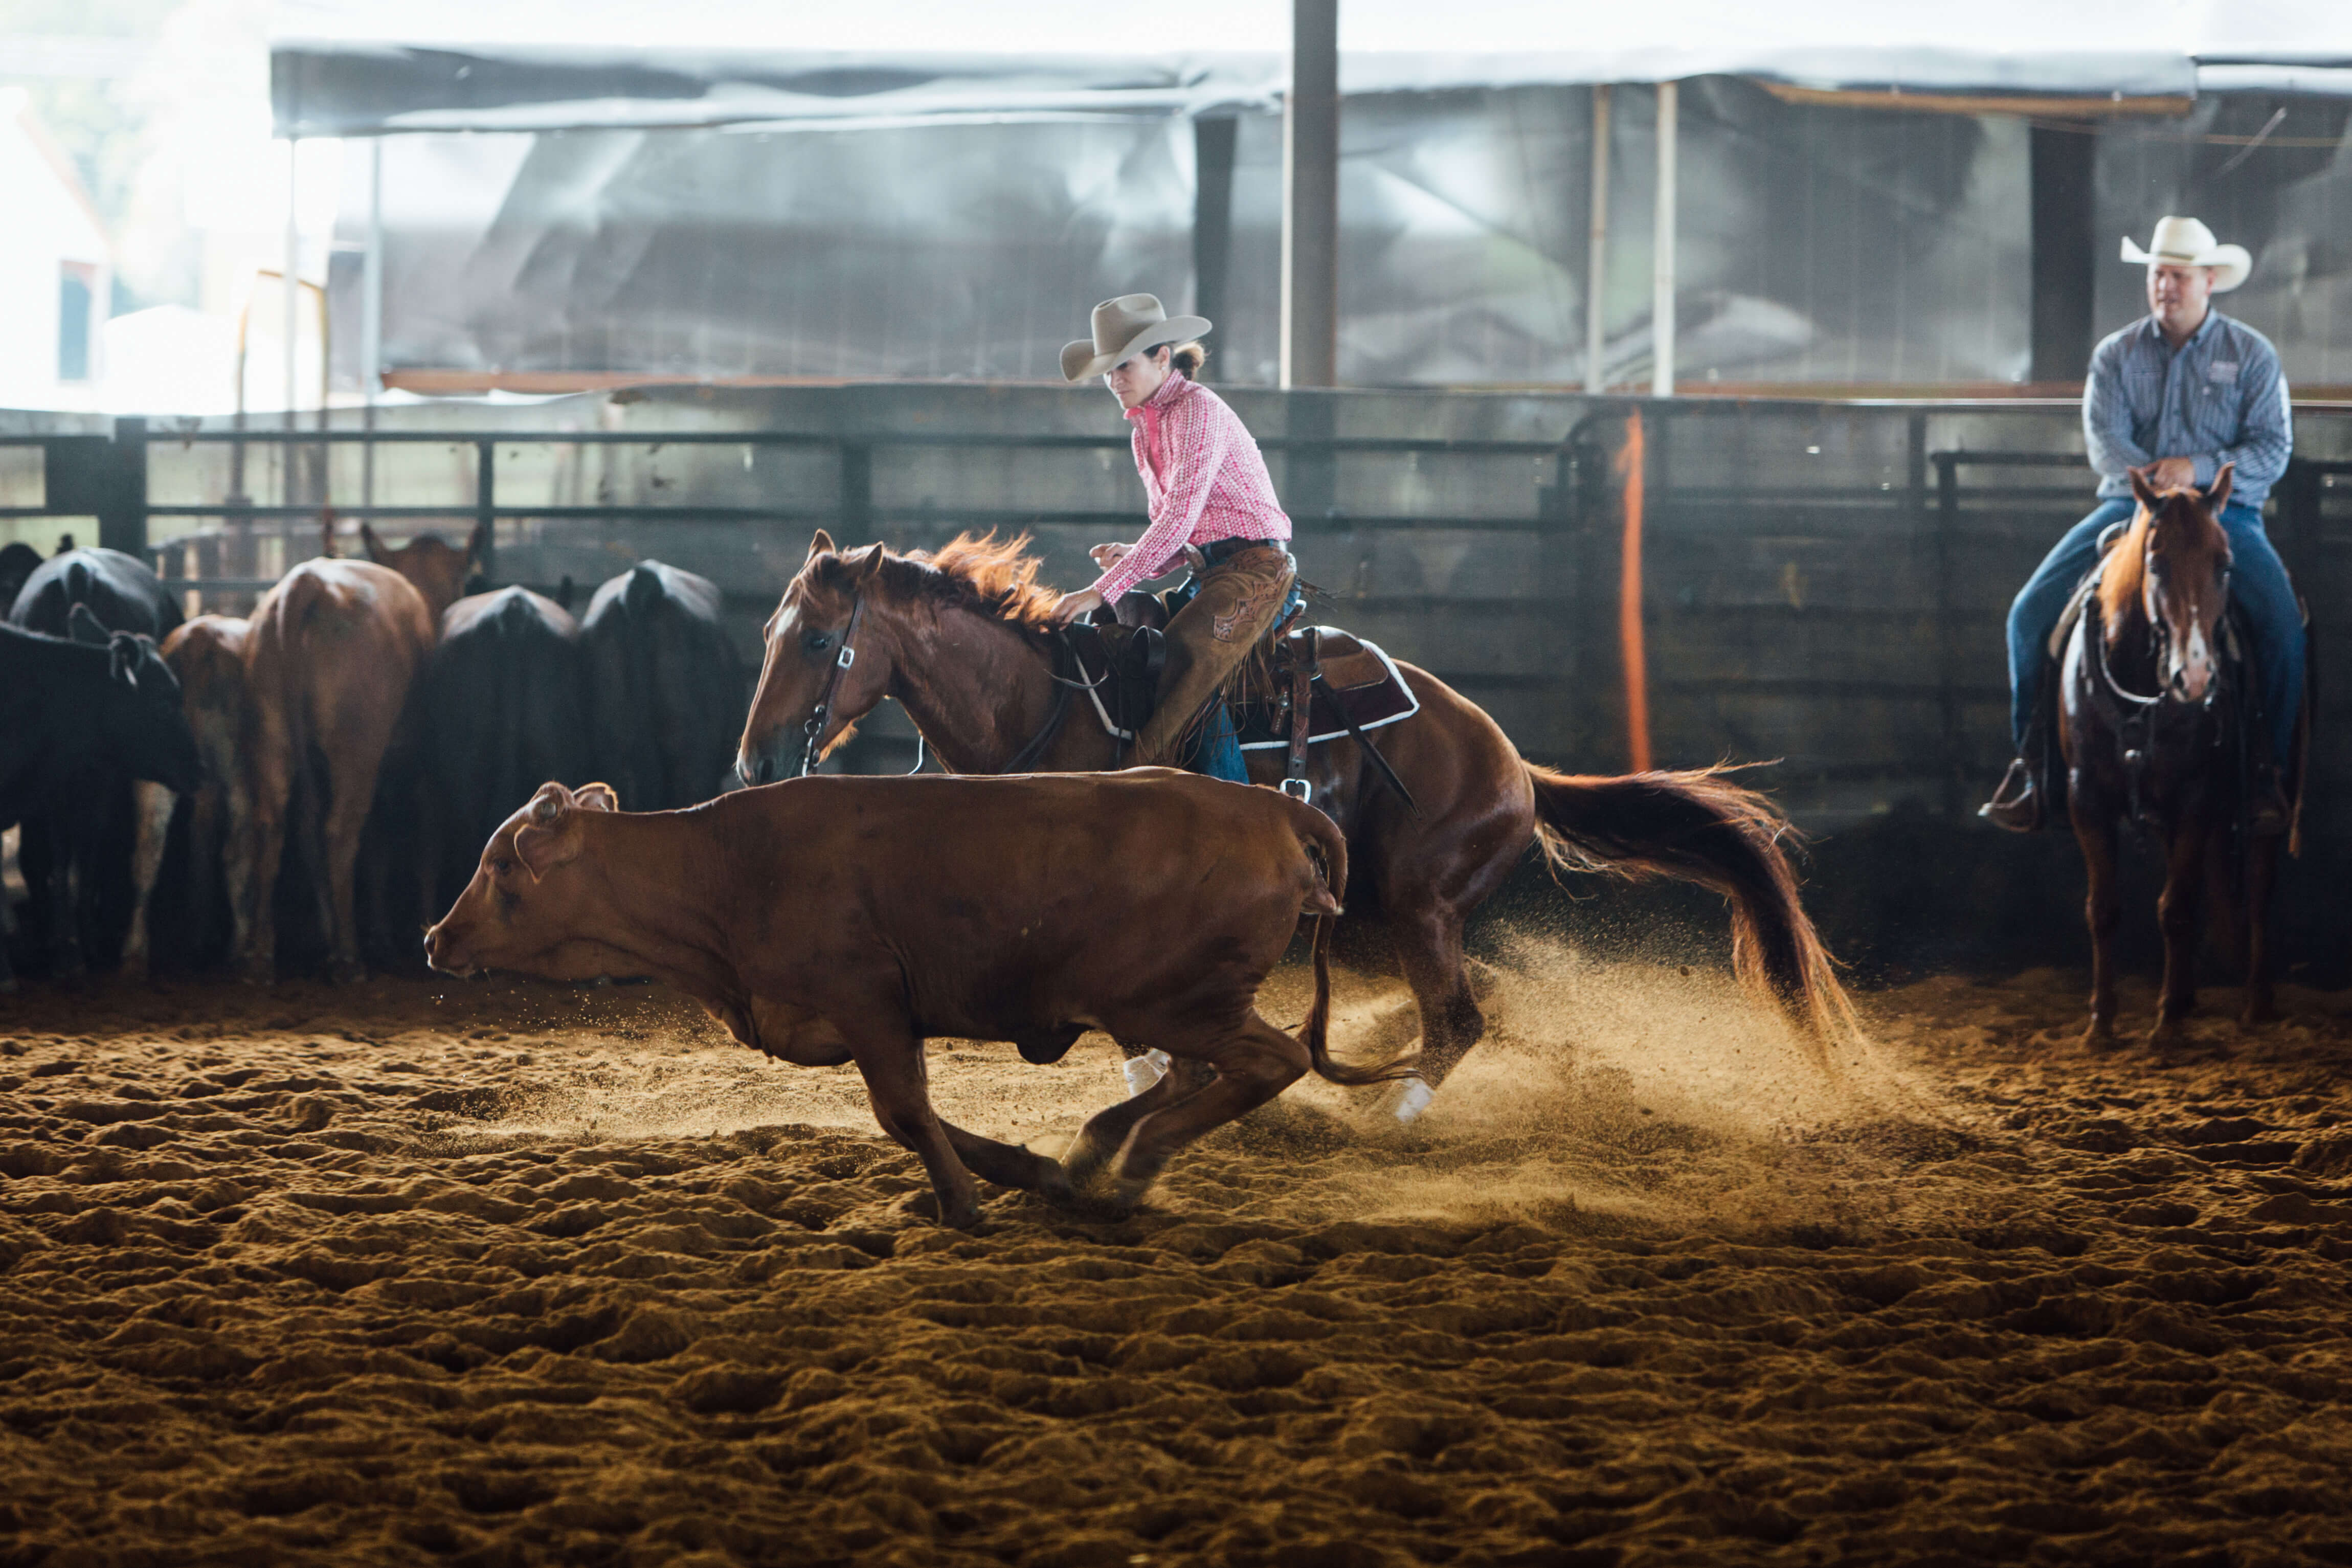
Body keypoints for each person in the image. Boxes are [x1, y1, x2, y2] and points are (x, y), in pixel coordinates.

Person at [1982, 215, 2301, 835]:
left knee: (2284, 630)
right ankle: (2034, 769)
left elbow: (2272, 448)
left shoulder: (2253, 356)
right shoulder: (2116, 354)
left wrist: (2196, 468)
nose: (2165, 287)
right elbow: (2106, 445)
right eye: (2158, 274)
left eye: (2179, 276)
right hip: (2133, 513)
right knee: (2028, 614)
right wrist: (2159, 486)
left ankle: (2270, 776)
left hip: (2223, 515)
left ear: (2209, 281)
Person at [1050, 294, 1301, 782]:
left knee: (1185, 673)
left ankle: (1230, 807)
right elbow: (1180, 530)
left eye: (1124, 367)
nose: (1114, 381)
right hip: (1212, 576)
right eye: (1107, 372)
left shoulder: (1196, 409)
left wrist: (1101, 590)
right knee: (1133, 653)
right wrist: (1138, 557)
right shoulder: (1143, 430)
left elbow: (1179, 518)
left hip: (1259, 573)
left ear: (1162, 358)